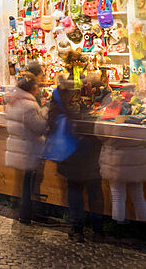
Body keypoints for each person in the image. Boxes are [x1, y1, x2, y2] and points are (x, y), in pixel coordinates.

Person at [49, 80, 104, 242]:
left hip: (70, 150)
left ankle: (78, 229)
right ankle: (98, 230)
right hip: (90, 149)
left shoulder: (59, 97)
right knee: (94, 190)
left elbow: (51, 122)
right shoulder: (93, 90)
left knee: (74, 190)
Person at [5, 71, 47, 225]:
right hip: (28, 148)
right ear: (31, 89)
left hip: (18, 147)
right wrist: (46, 112)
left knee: (24, 181)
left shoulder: (13, 101)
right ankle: (26, 214)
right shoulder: (29, 105)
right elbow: (39, 127)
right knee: (28, 182)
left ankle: (23, 212)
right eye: (36, 86)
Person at [98, 130, 146, 226]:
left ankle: (119, 226)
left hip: (116, 160)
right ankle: (143, 226)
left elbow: (99, 132)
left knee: (117, 195)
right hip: (137, 160)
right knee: (138, 195)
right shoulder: (139, 118)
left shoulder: (109, 117)